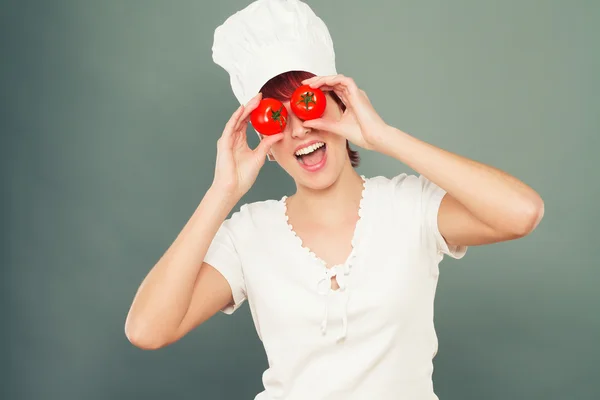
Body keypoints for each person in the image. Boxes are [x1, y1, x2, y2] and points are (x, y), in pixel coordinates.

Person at [125, 0, 545, 399]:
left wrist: (385, 137)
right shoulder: (249, 234)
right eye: (276, 118)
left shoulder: (410, 206)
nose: (299, 131)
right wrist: (223, 192)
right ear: (264, 142)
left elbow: (521, 213)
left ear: (340, 103)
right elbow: (147, 329)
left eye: (307, 106)